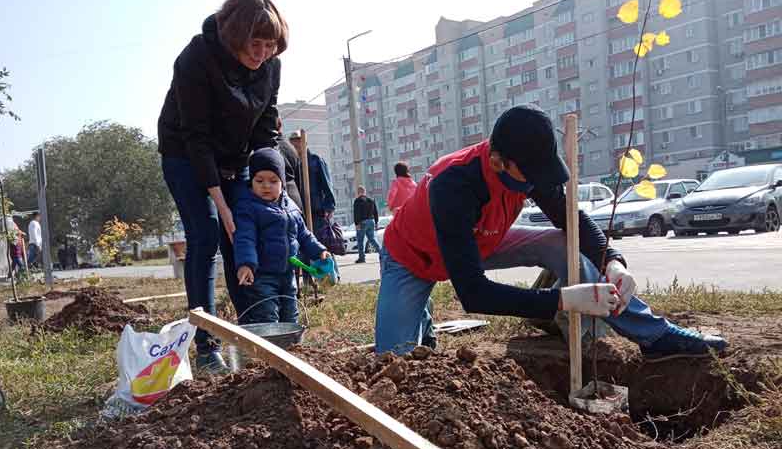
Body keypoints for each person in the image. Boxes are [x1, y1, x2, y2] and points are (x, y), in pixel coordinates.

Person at [374, 105, 728, 358]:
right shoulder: (453, 185)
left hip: (484, 239)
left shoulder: (526, 166)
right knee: (394, 362)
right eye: (529, 176)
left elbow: (571, 220)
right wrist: (564, 299)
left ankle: (655, 335)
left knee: (562, 243)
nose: (536, 185)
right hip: (413, 259)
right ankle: (421, 318)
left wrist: (613, 262)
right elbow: (474, 294)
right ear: (498, 162)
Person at [157, 0, 288, 374]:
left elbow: (266, 125)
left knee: (245, 230)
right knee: (208, 233)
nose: (262, 53)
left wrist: (272, 181)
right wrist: (222, 203)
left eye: (270, 45)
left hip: (237, 156)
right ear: (235, 35)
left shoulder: (270, 65)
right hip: (185, 154)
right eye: (255, 43)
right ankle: (206, 344)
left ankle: (255, 330)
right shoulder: (196, 58)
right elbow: (196, 135)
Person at [234, 148, 329, 323]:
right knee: (267, 315)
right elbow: (245, 238)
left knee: (291, 313)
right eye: (259, 180)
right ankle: (270, 347)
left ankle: (291, 345)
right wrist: (246, 264)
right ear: (251, 182)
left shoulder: (291, 206)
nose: (266, 186)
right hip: (262, 275)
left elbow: (304, 234)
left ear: (282, 183)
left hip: (288, 273)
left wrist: (319, 250)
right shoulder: (248, 208)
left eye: (273, 181)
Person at [290, 131, 336, 233]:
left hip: (316, 212)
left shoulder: (316, 160)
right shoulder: (293, 163)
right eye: (293, 141)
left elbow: (327, 184)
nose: (295, 144)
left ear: (304, 142)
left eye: (298, 140)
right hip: (299, 211)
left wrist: (329, 207)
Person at [276, 117, 304, 211]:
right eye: (293, 139)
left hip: (282, 202)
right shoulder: (291, 148)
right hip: (294, 203)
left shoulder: (271, 146)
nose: (295, 142)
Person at [353, 186, 380, 264]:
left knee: (360, 241)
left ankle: (362, 258)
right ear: (365, 192)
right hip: (371, 221)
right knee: (372, 239)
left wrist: (356, 223)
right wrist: (376, 222)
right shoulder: (371, 200)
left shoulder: (357, 201)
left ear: (358, 192)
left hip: (362, 222)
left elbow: (356, 213)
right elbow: (375, 212)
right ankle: (382, 254)